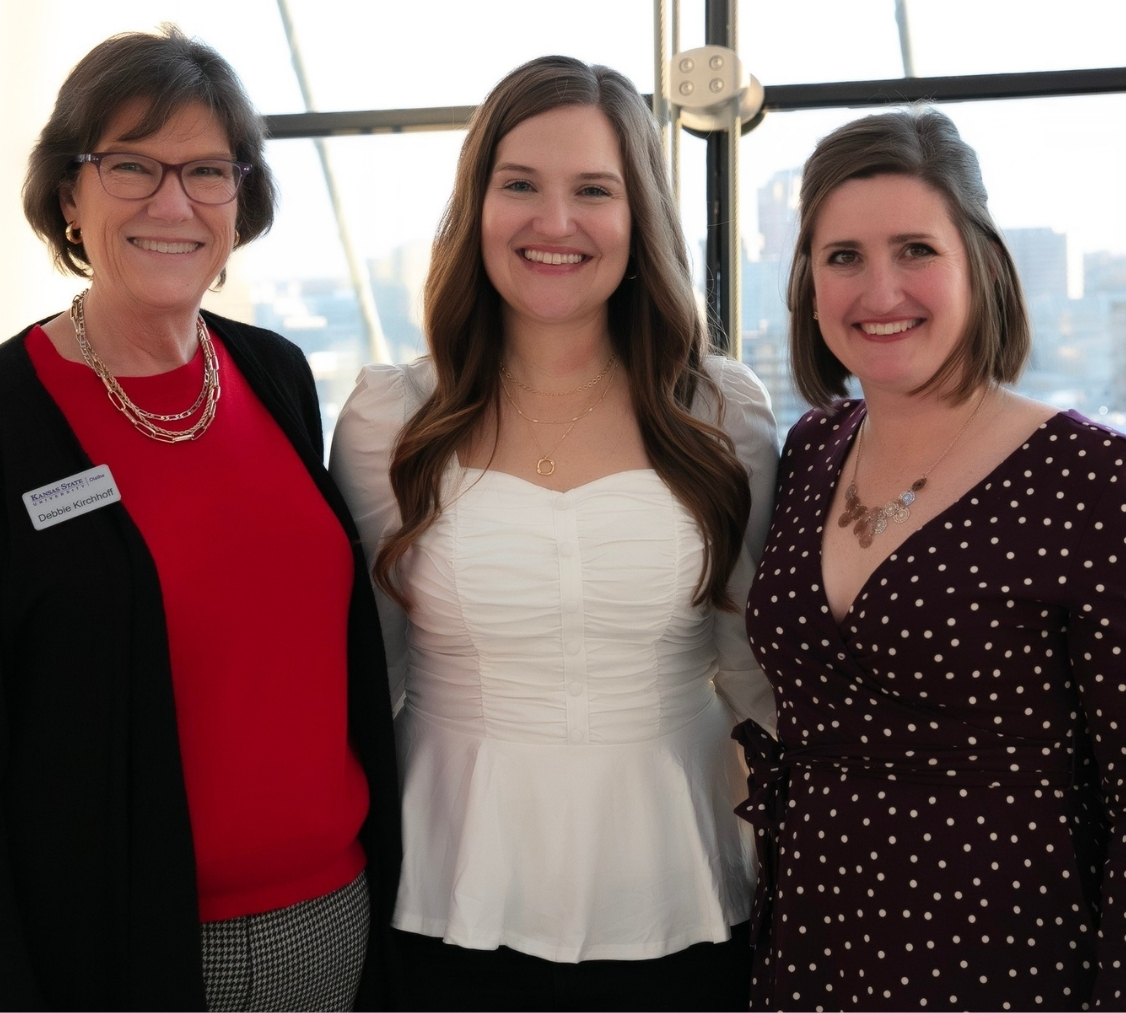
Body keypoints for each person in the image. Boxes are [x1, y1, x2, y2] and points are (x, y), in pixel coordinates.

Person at [0, 27, 400, 1012]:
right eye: (131, 165)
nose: (173, 202)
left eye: (207, 170)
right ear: (68, 193)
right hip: (100, 953)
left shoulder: (277, 376)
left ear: (240, 200)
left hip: (328, 929)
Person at [330, 55, 777, 1012]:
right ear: (475, 204)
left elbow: (753, 663)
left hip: (684, 877)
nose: (555, 223)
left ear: (639, 216)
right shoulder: (388, 421)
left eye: (594, 191)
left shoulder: (720, 410)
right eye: (520, 185)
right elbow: (368, 672)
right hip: (452, 882)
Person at [739, 107, 1126, 1010]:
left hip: (1009, 964)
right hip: (811, 949)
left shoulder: (1090, 479)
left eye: (915, 249)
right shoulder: (810, 449)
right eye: (844, 257)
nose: (880, 292)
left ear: (980, 264)